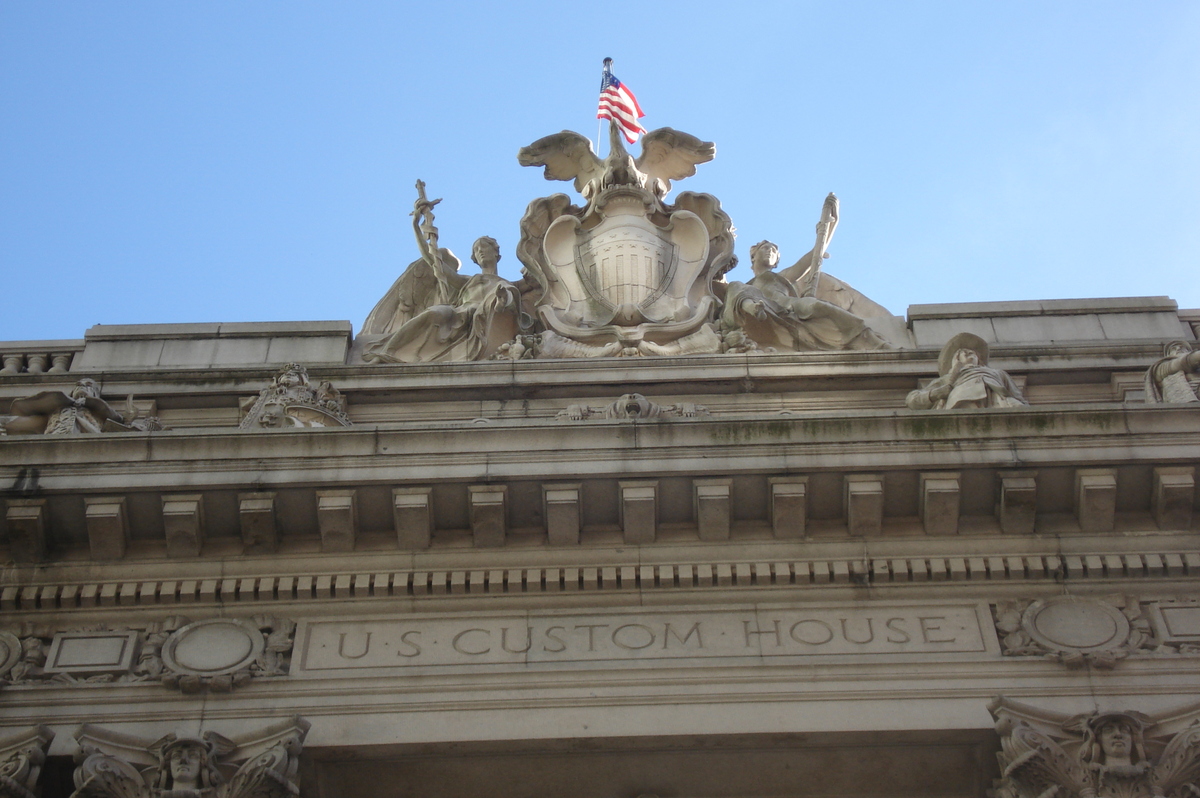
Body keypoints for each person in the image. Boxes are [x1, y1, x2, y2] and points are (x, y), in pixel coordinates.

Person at [720, 241, 888, 352]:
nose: (771, 251)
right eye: (766, 248)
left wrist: (825, 232)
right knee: (736, 286)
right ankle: (752, 307)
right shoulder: (744, 285)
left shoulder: (782, 276)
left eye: (774, 251)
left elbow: (805, 262)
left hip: (787, 307)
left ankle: (871, 339)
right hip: (757, 309)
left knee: (820, 307)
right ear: (753, 255)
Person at [906, 332, 1028, 410]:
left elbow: (1017, 395)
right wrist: (936, 393)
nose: (969, 353)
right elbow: (912, 400)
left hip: (1000, 402)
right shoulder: (948, 379)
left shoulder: (999, 373)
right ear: (956, 359)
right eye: (962, 352)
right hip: (962, 403)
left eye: (973, 352)